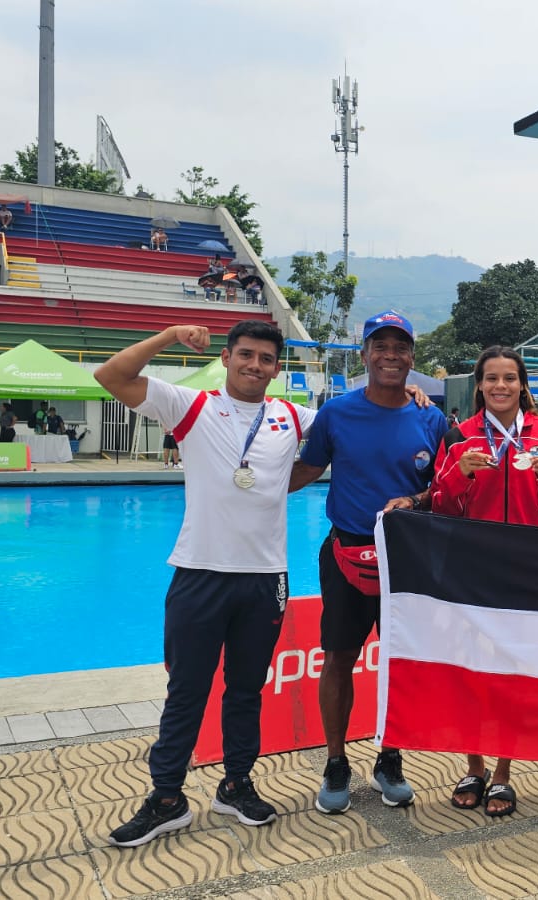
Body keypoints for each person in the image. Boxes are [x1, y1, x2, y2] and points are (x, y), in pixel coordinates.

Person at [94, 320, 316, 848]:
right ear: (226, 357)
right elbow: (111, 376)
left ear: (276, 369)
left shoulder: (292, 416)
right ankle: (166, 798)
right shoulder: (190, 406)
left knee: (246, 690)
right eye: (246, 355)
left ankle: (236, 785)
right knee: (187, 690)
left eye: (266, 358)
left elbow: (352, 427)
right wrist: (169, 335)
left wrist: (415, 396)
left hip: (265, 578)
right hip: (199, 572)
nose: (255, 365)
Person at [289, 310, 448, 815]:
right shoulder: (337, 413)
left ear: (412, 357)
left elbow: (445, 487)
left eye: (400, 347)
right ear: (364, 355)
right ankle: (336, 762)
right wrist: (244, 486)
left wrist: (416, 500)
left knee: (400, 662)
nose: (390, 356)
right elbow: (307, 468)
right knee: (339, 658)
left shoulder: (431, 418)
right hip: (347, 552)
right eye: (380, 346)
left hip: (407, 556)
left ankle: (390, 758)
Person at [431, 346, 538, 818]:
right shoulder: (459, 436)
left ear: (522, 385)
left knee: (514, 671)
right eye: (492, 378)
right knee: (471, 669)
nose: (501, 386)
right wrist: (460, 475)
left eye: (510, 378)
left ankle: (505, 772)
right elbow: (442, 507)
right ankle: (474, 765)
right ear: (480, 386)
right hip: (472, 567)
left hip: (526, 566)